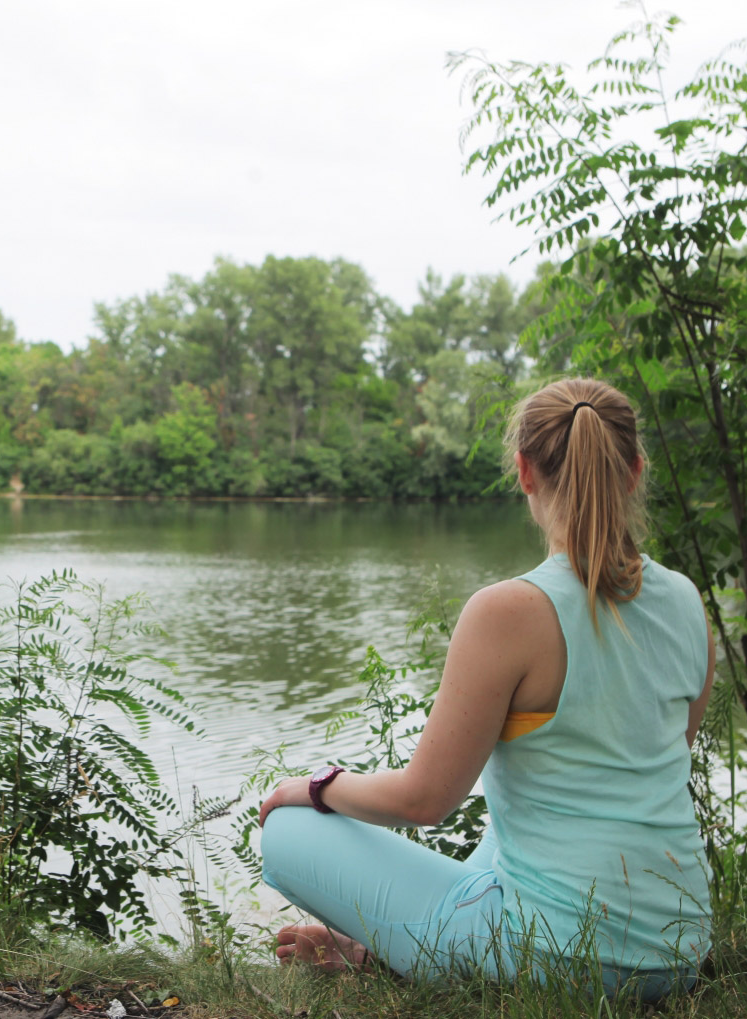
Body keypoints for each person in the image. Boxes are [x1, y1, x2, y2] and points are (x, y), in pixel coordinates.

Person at [257, 378, 715, 1002]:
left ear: (524, 472)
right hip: (677, 955)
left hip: (561, 962)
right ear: (634, 471)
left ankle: (417, 949)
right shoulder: (688, 602)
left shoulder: (509, 611)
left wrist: (316, 786)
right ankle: (386, 950)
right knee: (511, 820)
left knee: (286, 830)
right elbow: (660, 763)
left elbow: (424, 801)